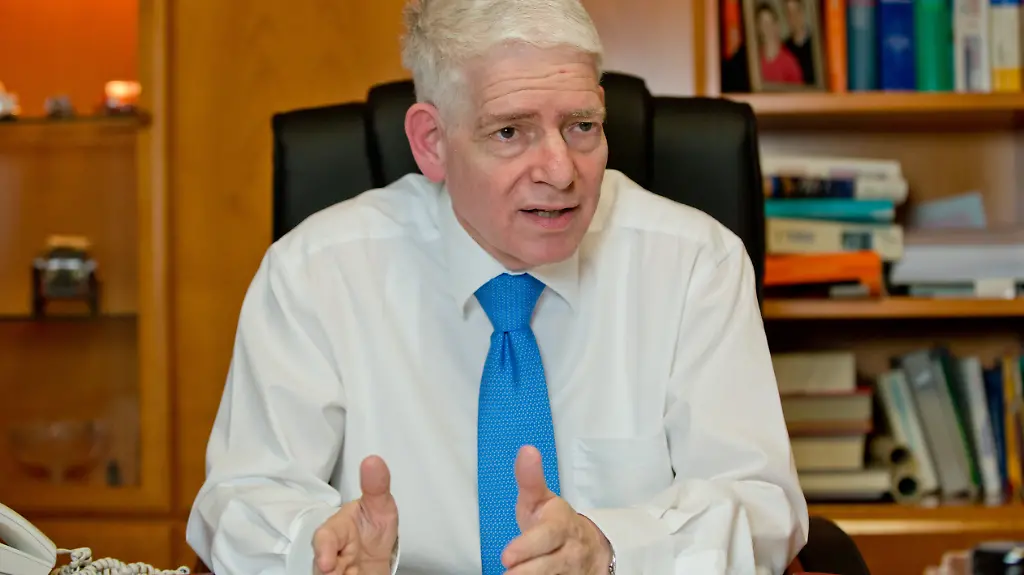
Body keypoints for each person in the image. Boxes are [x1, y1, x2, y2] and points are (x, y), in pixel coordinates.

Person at [185, 0, 809, 573]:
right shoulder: (317, 272)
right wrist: (316, 552)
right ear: (432, 142)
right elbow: (242, 500)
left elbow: (761, 507)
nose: (560, 172)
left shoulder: (696, 264)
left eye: (582, 126)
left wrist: (611, 549)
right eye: (510, 132)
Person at [755, 2, 805, 84]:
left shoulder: (789, 63)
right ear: (758, 28)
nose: (767, 28)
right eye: (763, 24)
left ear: (776, 25)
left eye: (770, 23)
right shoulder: (754, 60)